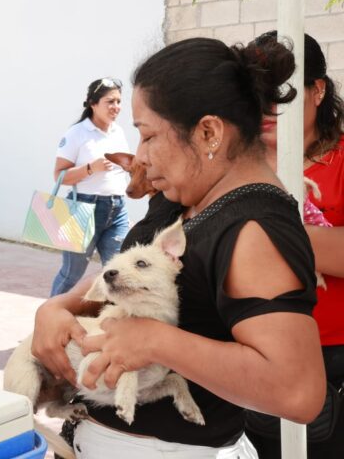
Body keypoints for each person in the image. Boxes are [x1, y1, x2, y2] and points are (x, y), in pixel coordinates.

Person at [33, 37, 326, 459]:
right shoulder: (185, 195)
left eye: (149, 136)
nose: (142, 158)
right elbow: (136, 271)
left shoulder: (254, 228)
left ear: (208, 132)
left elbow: (297, 392)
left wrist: (156, 341)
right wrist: (59, 307)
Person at [245, 31, 344, 459]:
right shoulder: (235, 162)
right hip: (247, 352)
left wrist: (261, 234)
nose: (268, 105)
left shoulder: (339, 160)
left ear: (317, 90)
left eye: (282, 91)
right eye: (256, 92)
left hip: (330, 357)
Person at [50, 77, 130, 296]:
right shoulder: (76, 134)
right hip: (83, 210)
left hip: (117, 209)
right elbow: (59, 176)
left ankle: (114, 322)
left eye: (118, 101)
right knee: (71, 274)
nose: (116, 107)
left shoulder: (118, 131)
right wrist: (90, 168)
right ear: (93, 104)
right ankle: (50, 316)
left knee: (118, 271)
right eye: (110, 101)